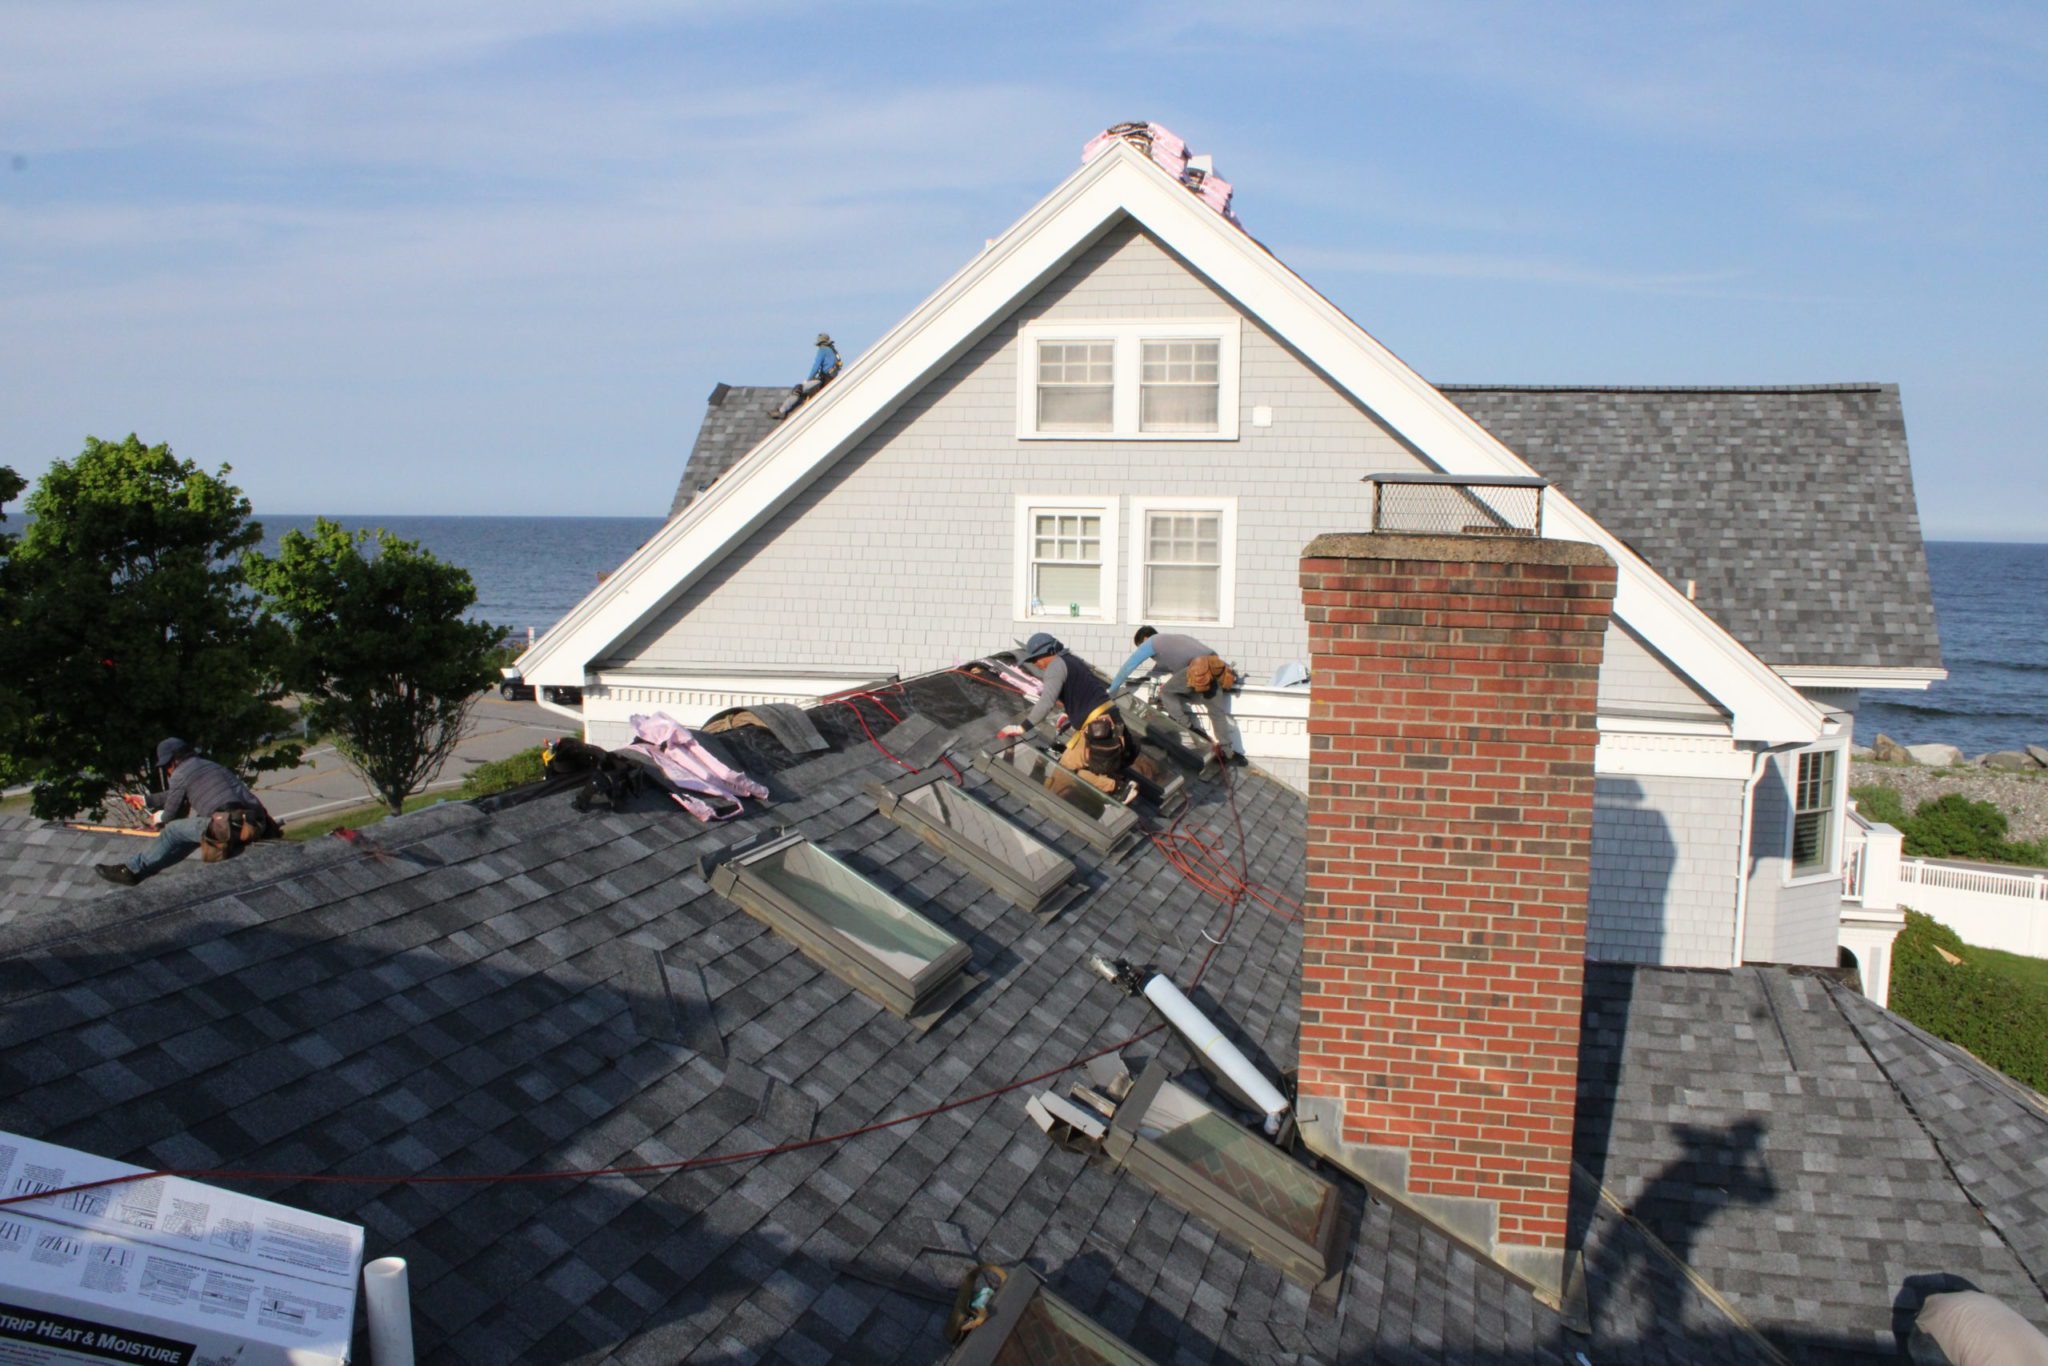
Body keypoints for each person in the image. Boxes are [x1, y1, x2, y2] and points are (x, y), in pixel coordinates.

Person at [95, 738, 278, 886]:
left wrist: (157, 817)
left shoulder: (180, 773)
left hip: (227, 826)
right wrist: (145, 800)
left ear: (175, 760)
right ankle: (141, 872)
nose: (167, 770)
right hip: (254, 823)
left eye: (167, 765)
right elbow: (174, 794)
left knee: (173, 830)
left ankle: (131, 869)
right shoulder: (211, 766)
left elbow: (170, 815)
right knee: (188, 835)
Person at [997, 633, 1139, 805]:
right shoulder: (1072, 661)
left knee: (1064, 768)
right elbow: (1086, 692)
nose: (1035, 664)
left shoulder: (1055, 667)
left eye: (1035, 659)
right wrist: (1071, 714)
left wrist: (1022, 727)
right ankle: (1116, 785)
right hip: (1107, 720)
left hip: (1097, 725)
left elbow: (1046, 701)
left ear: (1048, 652)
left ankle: (1119, 789)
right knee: (1077, 766)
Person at [1108, 626, 1246, 764]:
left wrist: (1112, 690)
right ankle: (1229, 753)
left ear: (1145, 639)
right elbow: (1177, 666)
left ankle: (1190, 729)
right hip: (1214, 666)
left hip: (1197, 668)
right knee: (1216, 712)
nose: (1150, 657)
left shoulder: (1151, 643)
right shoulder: (1175, 639)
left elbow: (1128, 666)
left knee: (1167, 693)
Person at [773, 332, 842, 419]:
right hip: (831, 378)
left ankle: (781, 411)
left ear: (820, 343)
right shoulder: (833, 351)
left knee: (798, 389)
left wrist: (809, 379)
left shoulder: (822, 350)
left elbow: (816, 366)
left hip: (824, 379)